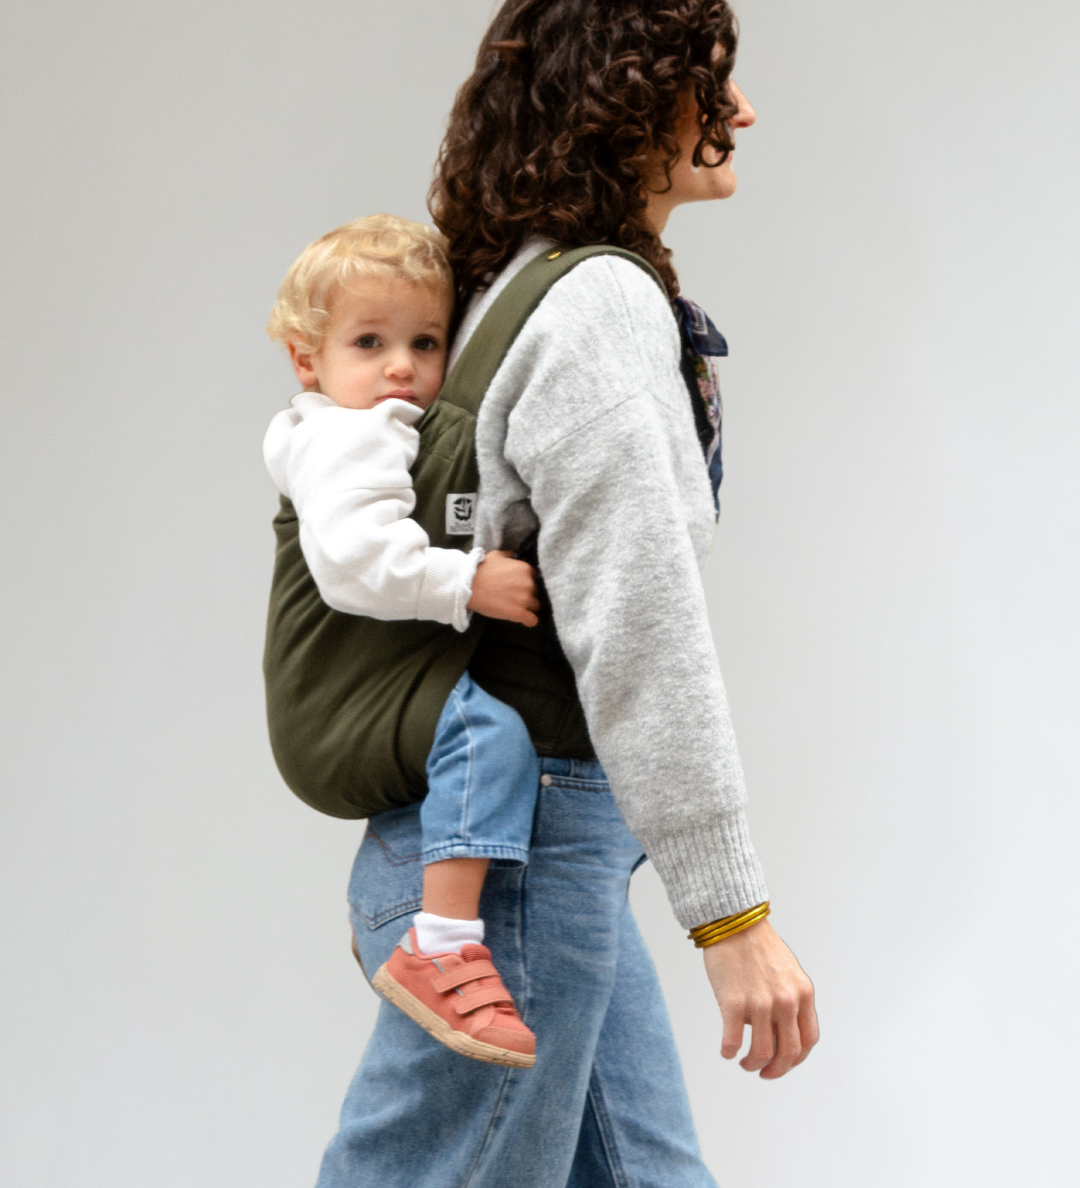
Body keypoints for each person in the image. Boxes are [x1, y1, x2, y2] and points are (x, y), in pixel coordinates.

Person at [316, 3, 819, 1185]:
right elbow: (639, 627)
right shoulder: (594, 307)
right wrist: (732, 918)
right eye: (712, 84)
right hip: (521, 850)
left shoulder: (522, 285)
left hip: (519, 842)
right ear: (632, 101)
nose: (739, 111)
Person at [264, 214, 546, 1066]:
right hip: (338, 702)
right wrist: (467, 582)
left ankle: (395, 904)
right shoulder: (347, 436)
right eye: (369, 341)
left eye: (425, 341)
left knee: (475, 742)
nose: (401, 366)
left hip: (358, 695)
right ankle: (440, 939)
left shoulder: (381, 428)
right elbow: (352, 560)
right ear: (307, 361)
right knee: (488, 736)